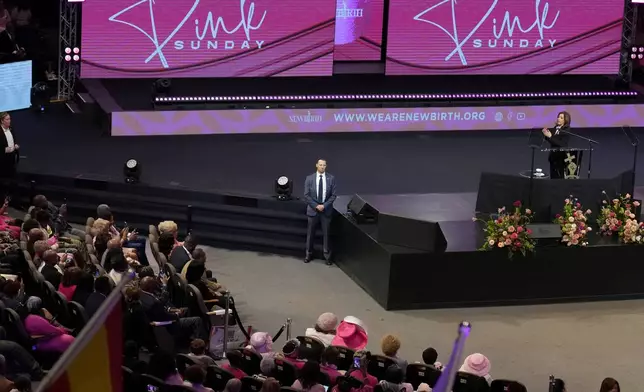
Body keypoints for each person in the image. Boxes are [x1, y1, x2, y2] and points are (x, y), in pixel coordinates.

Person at [139, 276, 206, 341]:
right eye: (154, 284)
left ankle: (188, 338)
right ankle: (198, 346)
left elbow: (161, 308)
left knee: (187, 310)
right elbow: (164, 316)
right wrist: (177, 314)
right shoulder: (153, 302)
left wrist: (172, 310)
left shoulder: (142, 295)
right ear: (151, 287)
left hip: (162, 318)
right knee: (197, 320)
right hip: (168, 324)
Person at [303, 159, 337, 265]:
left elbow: (333, 195)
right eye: (320, 165)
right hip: (313, 210)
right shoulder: (309, 179)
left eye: (324, 165)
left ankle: (327, 255)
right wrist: (316, 206)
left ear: (326, 166)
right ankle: (308, 254)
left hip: (326, 211)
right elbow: (306, 195)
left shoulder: (331, 178)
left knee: (326, 234)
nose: (322, 167)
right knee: (310, 234)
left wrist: (324, 206)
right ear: (316, 165)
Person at [541, 111, 571, 179]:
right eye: (558, 117)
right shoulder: (555, 128)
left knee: (559, 177)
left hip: (561, 158)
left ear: (565, 120)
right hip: (553, 157)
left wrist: (550, 136)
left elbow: (561, 144)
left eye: (561, 118)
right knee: (553, 176)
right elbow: (552, 141)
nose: (558, 118)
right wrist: (546, 135)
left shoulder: (566, 130)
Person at [0, 113, 18, 199]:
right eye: (7, 119)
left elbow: (14, 138)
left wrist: (16, 145)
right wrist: (4, 150)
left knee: (12, 177)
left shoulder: (11, 128)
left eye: (9, 119)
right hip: (2, 159)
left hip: (12, 157)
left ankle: (12, 196)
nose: (9, 121)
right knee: (3, 179)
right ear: (2, 121)